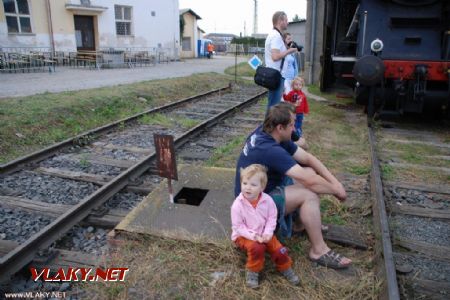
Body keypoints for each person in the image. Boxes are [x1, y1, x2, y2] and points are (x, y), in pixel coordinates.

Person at [234, 102, 352, 270]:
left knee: (309, 171)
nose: (295, 129)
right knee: (309, 193)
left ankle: (300, 224)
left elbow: (308, 159)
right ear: (280, 127)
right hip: (252, 209)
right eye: (292, 124)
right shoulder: (270, 149)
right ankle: (319, 250)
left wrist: (335, 183)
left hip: (259, 192)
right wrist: (336, 191)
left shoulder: (270, 132)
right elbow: (310, 182)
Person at [231, 164, 300, 288]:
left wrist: (268, 233)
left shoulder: (268, 201)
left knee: (280, 250)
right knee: (257, 248)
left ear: (262, 187)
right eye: (245, 183)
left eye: (253, 185)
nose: (248, 187)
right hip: (244, 235)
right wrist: (254, 236)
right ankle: (253, 271)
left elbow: (271, 218)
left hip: (264, 233)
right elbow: (238, 227)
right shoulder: (238, 205)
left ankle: (285, 267)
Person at [264, 11, 298, 111]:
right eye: (286, 20)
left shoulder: (274, 34)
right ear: (280, 21)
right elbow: (275, 56)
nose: (287, 22)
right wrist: (289, 51)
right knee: (274, 106)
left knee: (272, 104)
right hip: (276, 75)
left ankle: (269, 126)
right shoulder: (276, 36)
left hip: (275, 75)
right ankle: (269, 126)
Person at [283, 77, 309, 148]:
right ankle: (294, 136)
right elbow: (286, 98)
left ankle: (298, 136)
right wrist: (284, 94)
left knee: (299, 124)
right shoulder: (291, 93)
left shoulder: (303, 95)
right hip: (293, 112)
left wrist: (306, 110)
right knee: (292, 124)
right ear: (293, 85)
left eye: (300, 85)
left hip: (300, 113)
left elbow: (305, 103)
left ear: (302, 86)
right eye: (296, 84)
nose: (298, 86)